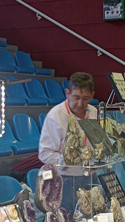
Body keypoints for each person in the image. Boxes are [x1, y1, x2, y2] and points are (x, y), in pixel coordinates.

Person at [39, 72, 97, 212]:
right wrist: (68, 159)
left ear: (92, 96)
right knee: (68, 219)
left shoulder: (94, 112)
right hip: (66, 179)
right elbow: (44, 154)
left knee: (93, 217)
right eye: (76, 97)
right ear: (67, 93)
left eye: (85, 98)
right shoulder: (55, 116)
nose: (80, 104)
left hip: (91, 175)